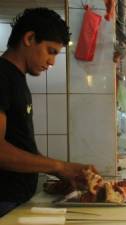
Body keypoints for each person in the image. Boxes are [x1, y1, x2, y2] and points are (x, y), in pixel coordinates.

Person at [0, 8, 96, 216]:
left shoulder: (16, 79)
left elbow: (19, 145)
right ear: (29, 38)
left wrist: (64, 171)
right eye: (50, 51)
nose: (52, 62)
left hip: (16, 200)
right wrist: (58, 166)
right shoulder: (2, 76)